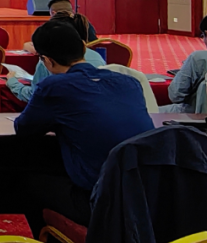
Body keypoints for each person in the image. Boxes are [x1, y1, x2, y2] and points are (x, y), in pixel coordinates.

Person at [14, 20, 153, 232]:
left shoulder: (55, 87)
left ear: (47, 61)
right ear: (83, 46)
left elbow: (24, 129)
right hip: (147, 196)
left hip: (100, 202)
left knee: (25, 182)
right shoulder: (128, 82)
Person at [7, 13, 105, 103]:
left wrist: (13, 83)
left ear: (48, 60)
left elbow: (34, 96)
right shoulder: (98, 59)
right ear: (83, 45)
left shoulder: (49, 72)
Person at [162, 12, 207, 112]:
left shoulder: (198, 59)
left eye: (203, 35)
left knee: (148, 113)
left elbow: (175, 95)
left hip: (199, 116)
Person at [22, 0, 99, 51]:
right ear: (72, 10)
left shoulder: (51, 27)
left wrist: (27, 46)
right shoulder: (84, 23)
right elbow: (94, 43)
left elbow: (38, 49)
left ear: (53, 13)